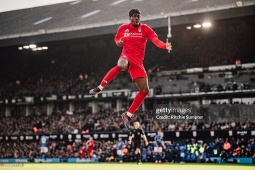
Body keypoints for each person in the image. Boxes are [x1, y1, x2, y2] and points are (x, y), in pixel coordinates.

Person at [89, 8, 172, 130]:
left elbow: (155, 40)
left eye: (138, 16)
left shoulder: (145, 29)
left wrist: (164, 46)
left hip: (138, 62)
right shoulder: (123, 28)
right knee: (121, 64)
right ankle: (99, 87)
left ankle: (128, 115)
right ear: (130, 17)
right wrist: (118, 41)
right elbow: (117, 38)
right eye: (134, 16)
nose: (136, 18)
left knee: (144, 90)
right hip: (126, 56)